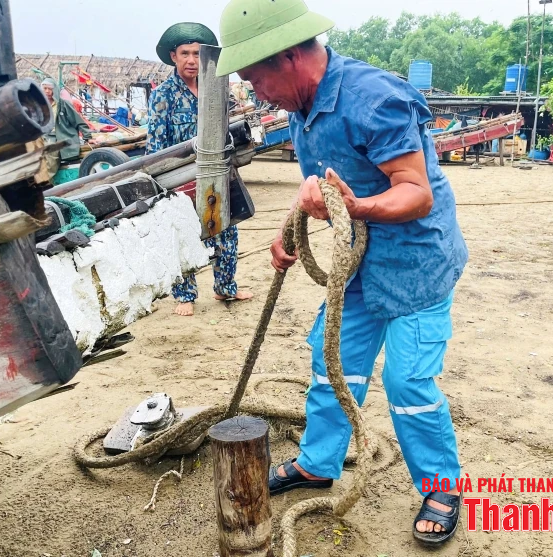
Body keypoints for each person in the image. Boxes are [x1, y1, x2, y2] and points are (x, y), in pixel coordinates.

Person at [216, 0, 469, 546]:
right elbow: (323, 187)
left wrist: (356, 209)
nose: (254, 91)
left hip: (415, 267)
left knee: (408, 382)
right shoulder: (301, 107)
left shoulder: (375, 98)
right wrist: (289, 232)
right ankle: (318, 462)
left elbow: (416, 193)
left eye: (254, 78)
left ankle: (441, 485)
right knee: (331, 363)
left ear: (287, 57)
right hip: (356, 268)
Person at [147, 22, 252, 317]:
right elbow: (156, 146)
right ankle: (185, 295)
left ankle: (225, 288)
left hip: (217, 171)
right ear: (174, 56)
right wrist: (164, 184)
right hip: (181, 177)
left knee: (227, 230)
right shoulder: (163, 96)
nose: (192, 60)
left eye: (196, 53)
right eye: (185, 54)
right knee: (185, 235)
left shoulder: (215, 87)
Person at [40, 78, 94, 179]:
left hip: (58, 137)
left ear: (54, 90)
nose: (47, 91)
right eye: (45, 88)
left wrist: (88, 136)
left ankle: (45, 182)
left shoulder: (63, 104)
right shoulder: (38, 106)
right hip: (43, 136)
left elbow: (78, 120)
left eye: (50, 88)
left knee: (50, 155)